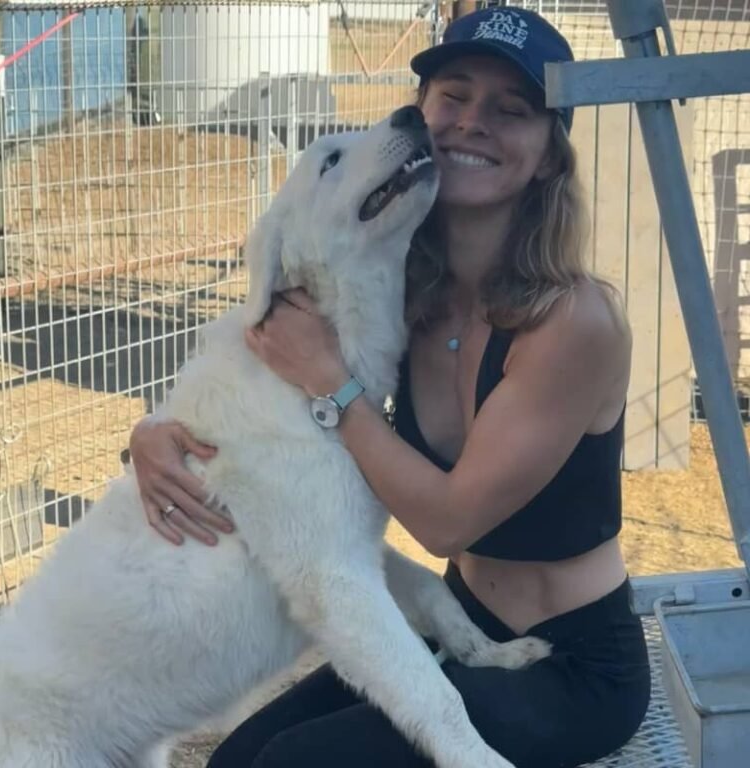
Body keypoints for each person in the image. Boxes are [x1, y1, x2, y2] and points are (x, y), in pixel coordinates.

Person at [129, 7, 651, 767]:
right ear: (423, 114)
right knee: (233, 759)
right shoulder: (404, 293)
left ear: (545, 158)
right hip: (458, 626)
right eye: (453, 96)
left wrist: (329, 381)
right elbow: (246, 363)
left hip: (571, 666)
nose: (472, 122)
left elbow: (446, 522)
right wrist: (149, 436)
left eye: (511, 110)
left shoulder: (574, 321)